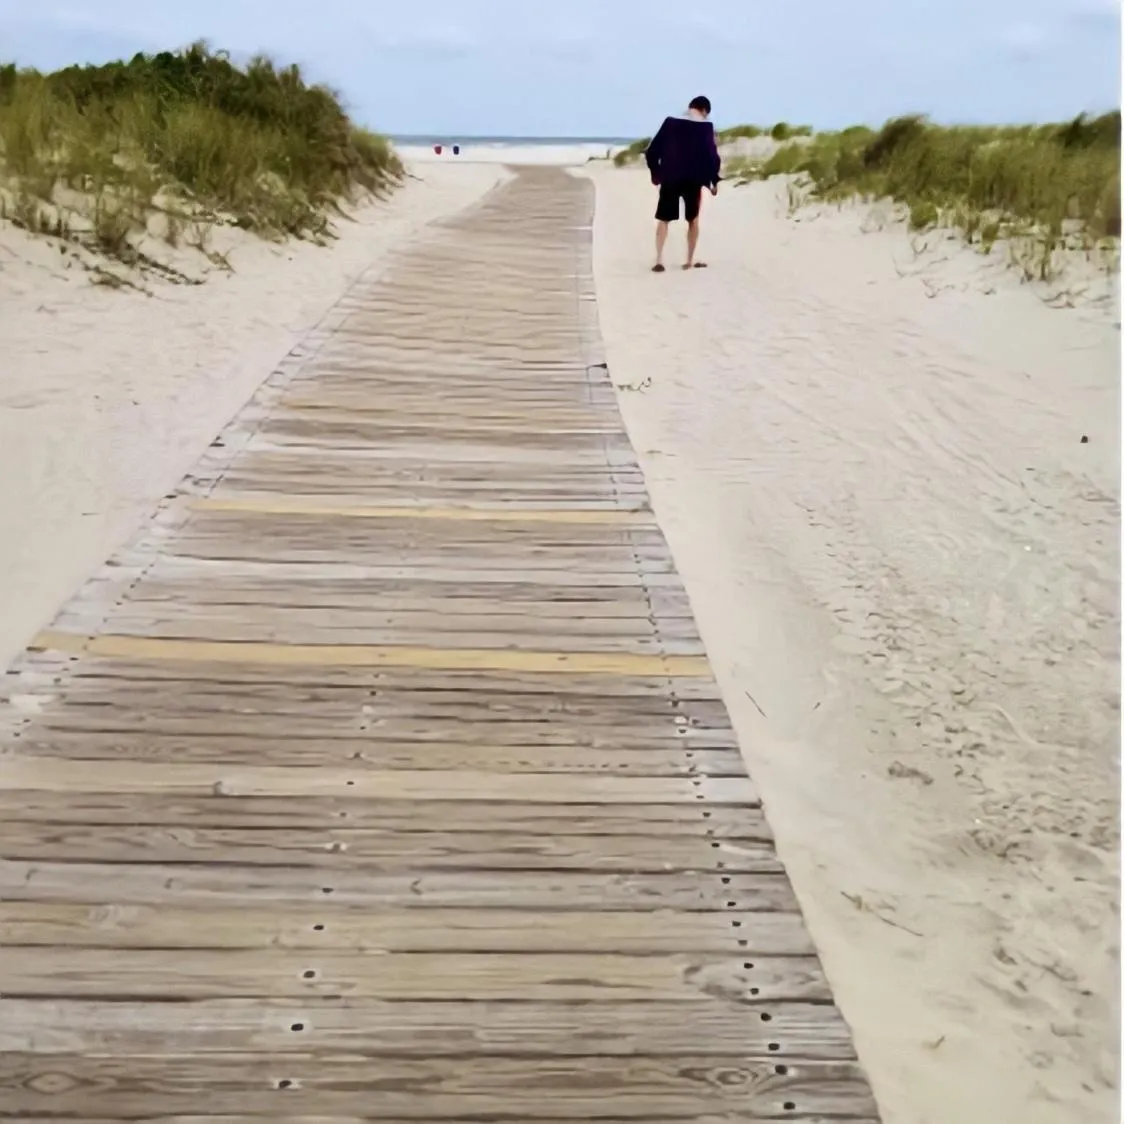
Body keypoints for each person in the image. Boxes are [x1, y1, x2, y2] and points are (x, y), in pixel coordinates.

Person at [643, 95, 721, 272]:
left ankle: (659, 259)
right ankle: (689, 260)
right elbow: (711, 156)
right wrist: (713, 180)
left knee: (664, 218)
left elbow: (652, 151)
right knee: (692, 219)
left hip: (670, 176)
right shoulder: (706, 127)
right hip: (693, 179)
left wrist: (656, 173)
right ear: (703, 111)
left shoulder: (670, 122)